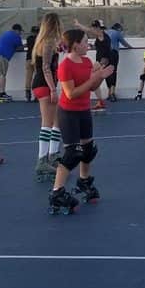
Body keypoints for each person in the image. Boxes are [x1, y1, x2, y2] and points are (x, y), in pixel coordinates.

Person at [48, 28, 115, 215]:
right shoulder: (65, 66)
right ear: (76, 45)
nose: (89, 44)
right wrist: (95, 76)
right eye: (86, 41)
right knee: (72, 154)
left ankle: (84, 181)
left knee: (88, 150)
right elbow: (71, 93)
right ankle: (57, 192)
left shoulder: (86, 61)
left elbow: (92, 87)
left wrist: (100, 77)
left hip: (84, 110)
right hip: (68, 113)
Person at [31, 13, 64, 182]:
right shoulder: (48, 41)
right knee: (47, 123)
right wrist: (53, 89)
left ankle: (52, 155)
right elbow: (45, 67)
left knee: (56, 121)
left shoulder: (42, 41)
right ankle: (42, 160)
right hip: (44, 85)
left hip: (41, 84)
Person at [75, 19, 114, 111]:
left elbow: (88, 31)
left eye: (95, 27)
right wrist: (91, 46)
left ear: (99, 28)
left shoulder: (101, 35)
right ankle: (100, 101)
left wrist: (79, 24)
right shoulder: (102, 37)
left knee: (89, 76)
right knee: (93, 79)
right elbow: (100, 47)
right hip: (101, 60)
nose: (93, 29)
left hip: (102, 61)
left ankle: (85, 97)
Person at [0, 24, 24, 102]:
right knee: (2, 74)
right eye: (20, 32)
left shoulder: (6, 33)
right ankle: (2, 93)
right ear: (17, 30)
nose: (20, 33)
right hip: (2, 55)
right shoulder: (16, 36)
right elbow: (21, 47)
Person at [104, 21, 133, 101]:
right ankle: (112, 93)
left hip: (105, 54)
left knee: (106, 72)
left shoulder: (105, 32)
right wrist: (131, 47)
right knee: (113, 72)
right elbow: (124, 43)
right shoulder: (117, 33)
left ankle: (109, 93)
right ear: (119, 29)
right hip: (113, 53)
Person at [24, 25, 39, 102]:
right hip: (37, 59)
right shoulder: (40, 39)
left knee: (28, 77)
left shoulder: (29, 38)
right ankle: (37, 95)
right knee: (37, 77)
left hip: (29, 58)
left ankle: (28, 95)